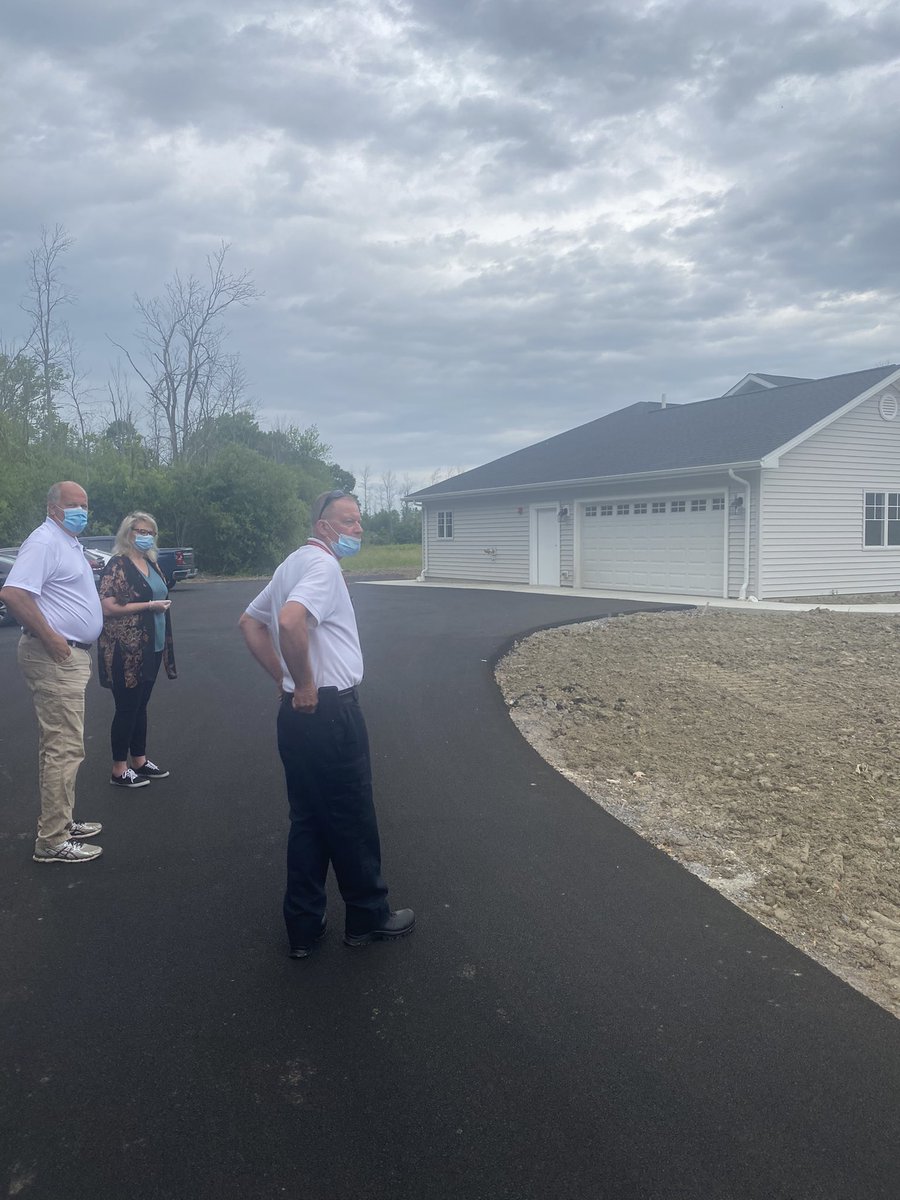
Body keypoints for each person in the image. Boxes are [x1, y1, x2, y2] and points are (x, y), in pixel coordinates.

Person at [239, 489, 414, 958]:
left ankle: (303, 926)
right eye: (349, 521)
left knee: (308, 819)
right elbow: (292, 621)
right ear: (324, 528)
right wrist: (306, 683)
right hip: (329, 712)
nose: (358, 529)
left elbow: (250, 623)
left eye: (359, 522)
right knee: (352, 817)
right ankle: (367, 917)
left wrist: (286, 679)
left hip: (295, 717)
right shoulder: (323, 567)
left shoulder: (289, 566)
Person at [0, 481, 105, 863]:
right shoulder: (44, 542)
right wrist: (53, 639)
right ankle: (53, 840)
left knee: (58, 746)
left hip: (68, 656)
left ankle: (60, 821)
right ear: (52, 508)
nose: (81, 510)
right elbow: (13, 593)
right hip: (55, 656)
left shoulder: (67, 542)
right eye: (73, 505)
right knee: (64, 748)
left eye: (85, 504)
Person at [97, 512, 176, 788]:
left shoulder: (151, 563)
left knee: (141, 705)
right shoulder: (117, 565)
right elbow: (107, 606)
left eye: (150, 532)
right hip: (125, 648)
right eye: (139, 531)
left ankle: (139, 761)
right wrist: (149, 606)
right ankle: (119, 770)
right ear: (127, 533)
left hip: (151, 646)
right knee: (127, 707)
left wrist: (155, 606)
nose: (145, 536)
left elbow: (161, 593)